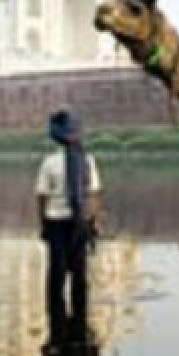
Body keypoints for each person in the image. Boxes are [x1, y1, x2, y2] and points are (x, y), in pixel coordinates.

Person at [35, 110, 102, 321]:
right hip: (81, 222)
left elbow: (42, 197)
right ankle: (80, 316)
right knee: (79, 271)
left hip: (56, 223)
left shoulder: (49, 163)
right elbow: (93, 195)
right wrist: (93, 222)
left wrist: (42, 224)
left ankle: (56, 316)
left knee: (57, 270)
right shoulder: (88, 161)